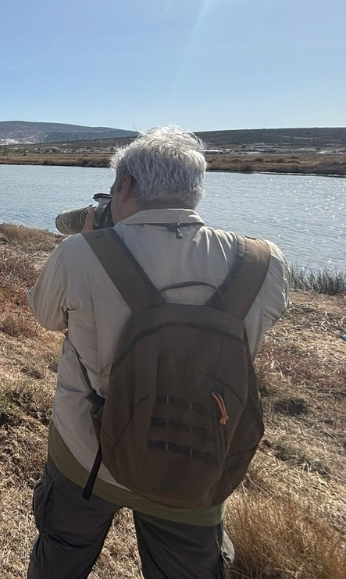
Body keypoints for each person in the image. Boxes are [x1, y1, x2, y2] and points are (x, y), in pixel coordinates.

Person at [26, 126, 290, 578]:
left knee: (62, 554)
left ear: (125, 185)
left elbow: (45, 315)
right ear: (195, 191)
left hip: (87, 454)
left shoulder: (80, 253)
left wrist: (89, 239)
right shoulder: (264, 263)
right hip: (193, 461)